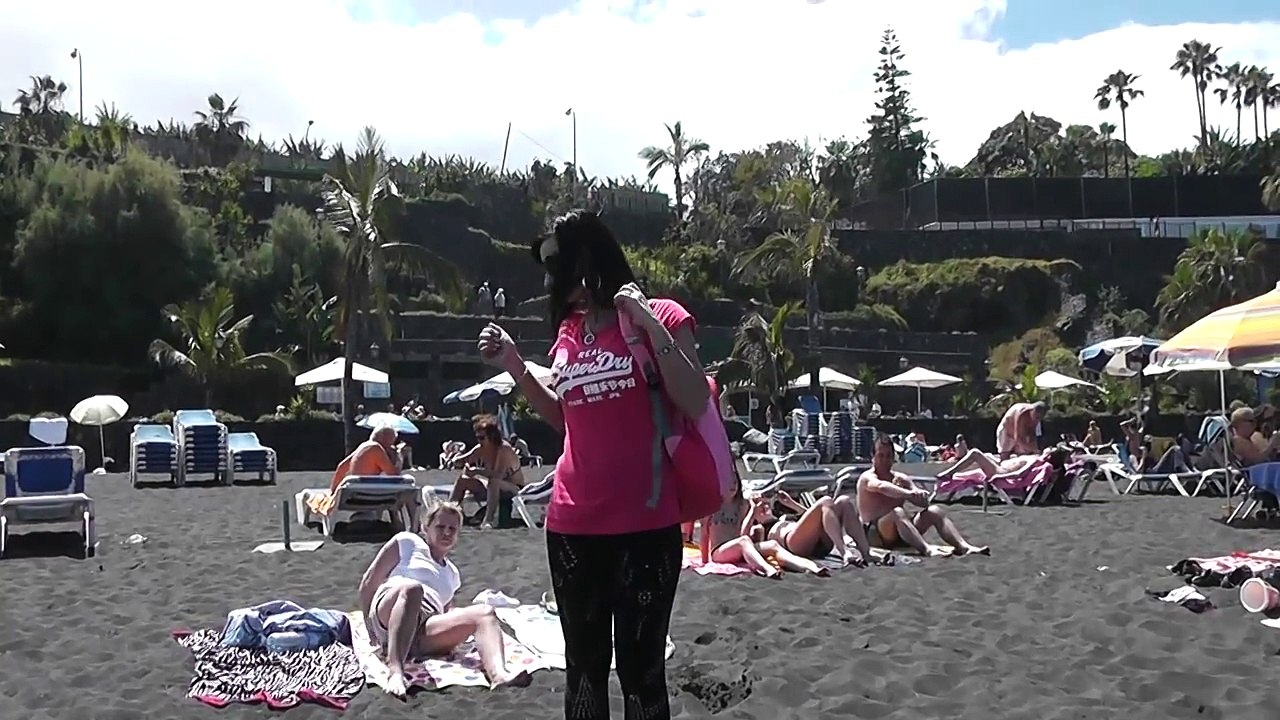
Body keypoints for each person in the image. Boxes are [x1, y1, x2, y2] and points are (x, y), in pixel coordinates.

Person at [477, 209, 707, 720]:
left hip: (646, 525)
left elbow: (694, 398)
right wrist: (516, 365)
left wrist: (647, 322)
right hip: (573, 524)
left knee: (641, 670)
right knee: (583, 667)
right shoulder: (570, 332)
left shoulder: (663, 316)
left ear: (590, 259)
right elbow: (567, 420)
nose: (555, 282)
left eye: (560, 267)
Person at [357, 502, 530, 696]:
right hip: (391, 610)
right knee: (412, 589)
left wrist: (465, 626)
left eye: (452, 529)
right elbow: (369, 581)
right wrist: (369, 625)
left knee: (484, 612)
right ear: (425, 528)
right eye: (440, 527)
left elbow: (447, 612)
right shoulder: (407, 543)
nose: (446, 533)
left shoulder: (452, 573)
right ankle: (395, 671)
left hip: (423, 628)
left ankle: (499, 675)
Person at [862, 435, 988, 556]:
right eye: (880, 456)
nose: (884, 460)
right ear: (872, 457)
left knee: (934, 511)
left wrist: (918, 495)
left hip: (900, 531)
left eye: (888, 456)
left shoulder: (900, 478)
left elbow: (923, 502)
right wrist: (906, 493)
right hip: (877, 534)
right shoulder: (868, 477)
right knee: (897, 512)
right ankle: (926, 549)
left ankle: (963, 546)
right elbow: (881, 487)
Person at [700, 473, 825, 578]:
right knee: (743, 542)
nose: (732, 486)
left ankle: (810, 567)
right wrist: (705, 562)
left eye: (735, 482)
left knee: (772, 545)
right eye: (728, 483)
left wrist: (753, 510)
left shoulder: (742, 504)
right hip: (719, 552)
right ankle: (767, 569)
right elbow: (704, 535)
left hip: (742, 547)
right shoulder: (711, 506)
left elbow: (744, 534)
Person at [447, 414, 526, 529]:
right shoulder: (481, 448)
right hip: (492, 487)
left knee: (494, 482)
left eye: (482, 438)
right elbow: (465, 458)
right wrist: (454, 460)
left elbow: (498, 475)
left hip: (514, 488)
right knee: (463, 480)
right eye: (477, 438)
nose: (479, 441)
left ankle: (489, 520)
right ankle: (450, 514)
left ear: (492, 436)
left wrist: (477, 471)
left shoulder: (504, 449)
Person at [306, 427, 402, 518]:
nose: (392, 444)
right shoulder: (376, 448)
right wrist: (399, 455)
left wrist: (333, 491)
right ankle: (409, 525)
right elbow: (394, 475)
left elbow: (342, 466)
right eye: (391, 440)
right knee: (405, 494)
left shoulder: (364, 446)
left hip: (355, 494)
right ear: (383, 437)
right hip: (369, 496)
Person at [765, 490, 877, 568]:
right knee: (826, 500)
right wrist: (752, 509)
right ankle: (844, 552)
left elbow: (816, 514)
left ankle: (866, 552)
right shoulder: (760, 527)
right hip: (795, 544)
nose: (762, 506)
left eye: (765, 505)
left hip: (819, 541)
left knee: (844, 501)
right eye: (758, 505)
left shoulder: (783, 517)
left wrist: (791, 503)